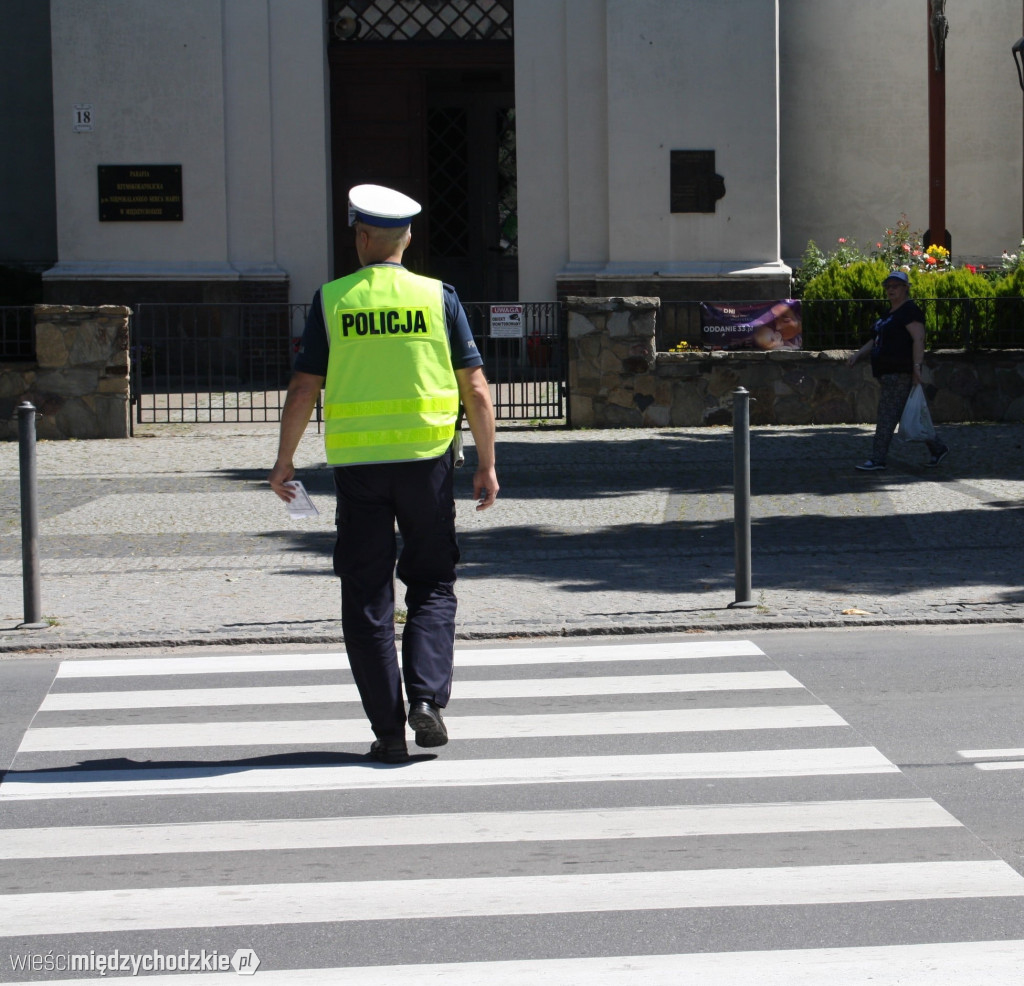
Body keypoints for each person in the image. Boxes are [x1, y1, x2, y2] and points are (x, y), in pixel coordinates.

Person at [268, 184, 498, 764]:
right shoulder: (437, 298)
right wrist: (489, 465)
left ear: (362, 237)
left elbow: (303, 387)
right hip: (428, 466)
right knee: (433, 581)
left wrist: (284, 460)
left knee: (367, 595)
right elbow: (475, 387)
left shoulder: (332, 301)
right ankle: (426, 699)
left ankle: (388, 731)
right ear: (409, 238)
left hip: (360, 472)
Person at [847, 270, 948, 471]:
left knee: (886, 415)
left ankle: (877, 459)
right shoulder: (889, 314)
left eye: (895, 286)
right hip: (887, 372)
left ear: (906, 288)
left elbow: (918, 339)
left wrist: (917, 367)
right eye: (888, 286)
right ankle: (937, 448)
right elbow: (875, 338)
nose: (890, 290)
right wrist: (858, 354)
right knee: (901, 412)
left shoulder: (909, 311)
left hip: (899, 372)